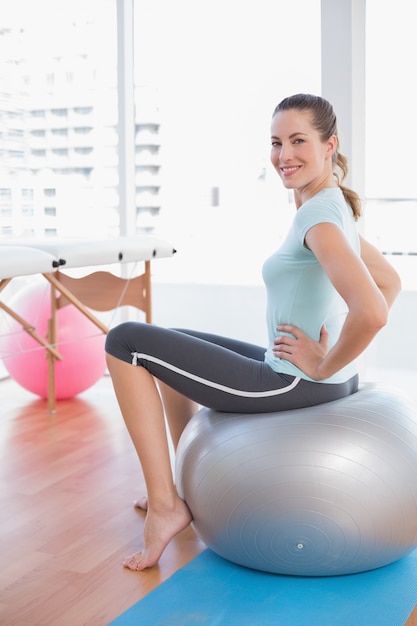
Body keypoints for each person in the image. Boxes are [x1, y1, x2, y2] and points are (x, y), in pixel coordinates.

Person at [105, 93, 401, 571]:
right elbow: (389, 282)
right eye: (277, 142)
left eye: (298, 140)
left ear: (330, 146)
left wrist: (325, 360)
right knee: (165, 340)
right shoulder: (334, 206)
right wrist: (335, 358)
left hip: (293, 380)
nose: (284, 155)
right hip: (314, 377)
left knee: (124, 343)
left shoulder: (319, 217)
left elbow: (373, 308)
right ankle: (180, 486)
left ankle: (165, 508)